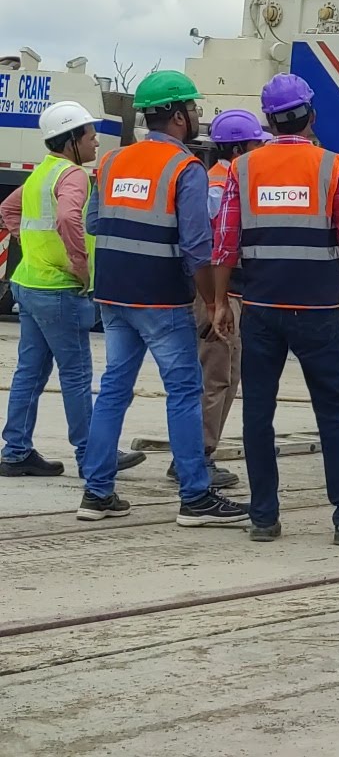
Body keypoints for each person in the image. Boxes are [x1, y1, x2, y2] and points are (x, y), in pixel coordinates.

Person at [210, 74, 339, 544]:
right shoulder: (335, 167)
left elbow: (225, 243)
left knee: (257, 412)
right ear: (310, 115)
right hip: (318, 310)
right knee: (333, 411)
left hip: (262, 308)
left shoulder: (243, 170)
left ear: (268, 119)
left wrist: (221, 301)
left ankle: (264, 516)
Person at [80, 70, 247, 526]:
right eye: (192, 109)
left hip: (113, 294)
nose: (196, 116)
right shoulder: (184, 168)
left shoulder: (113, 162)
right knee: (184, 391)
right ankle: (195, 496)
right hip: (160, 298)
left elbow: (95, 223)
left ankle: (96, 494)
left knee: (114, 388)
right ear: (176, 117)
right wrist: (214, 303)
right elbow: (197, 245)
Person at [0, 102, 140, 478]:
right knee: (76, 375)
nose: (96, 143)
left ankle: (15, 452)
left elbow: (8, 211)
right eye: (91, 136)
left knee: (29, 372)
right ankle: (91, 455)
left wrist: (31, 247)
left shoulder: (43, 173)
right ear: (73, 140)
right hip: (60, 289)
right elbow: (66, 218)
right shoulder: (75, 176)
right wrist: (80, 268)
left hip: (29, 283)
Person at [187, 108, 269, 489]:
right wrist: (215, 301)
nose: (259, 151)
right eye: (255, 144)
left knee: (226, 375)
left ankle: (199, 453)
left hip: (228, 294)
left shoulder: (223, 180)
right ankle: (195, 457)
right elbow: (212, 248)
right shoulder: (220, 186)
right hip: (220, 296)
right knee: (217, 376)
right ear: (238, 148)